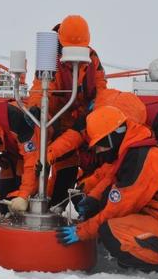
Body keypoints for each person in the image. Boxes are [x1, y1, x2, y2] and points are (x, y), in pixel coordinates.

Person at [56, 106, 158, 274]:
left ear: (111, 138)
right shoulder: (133, 152)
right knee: (106, 215)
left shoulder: (141, 160)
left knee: (111, 233)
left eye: (100, 145)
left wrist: (82, 231)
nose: (98, 151)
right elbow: (111, 178)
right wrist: (94, 199)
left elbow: (116, 209)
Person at [27, 15, 108, 207]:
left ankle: (57, 208)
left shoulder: (92, 58)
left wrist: (94, 110)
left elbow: (101, 88)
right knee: (41, 165)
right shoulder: (49, 58)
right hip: (53, 120)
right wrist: (36, 109)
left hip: (82, 123)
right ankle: (36, 203)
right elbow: (40, 87)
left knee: (68, 172)